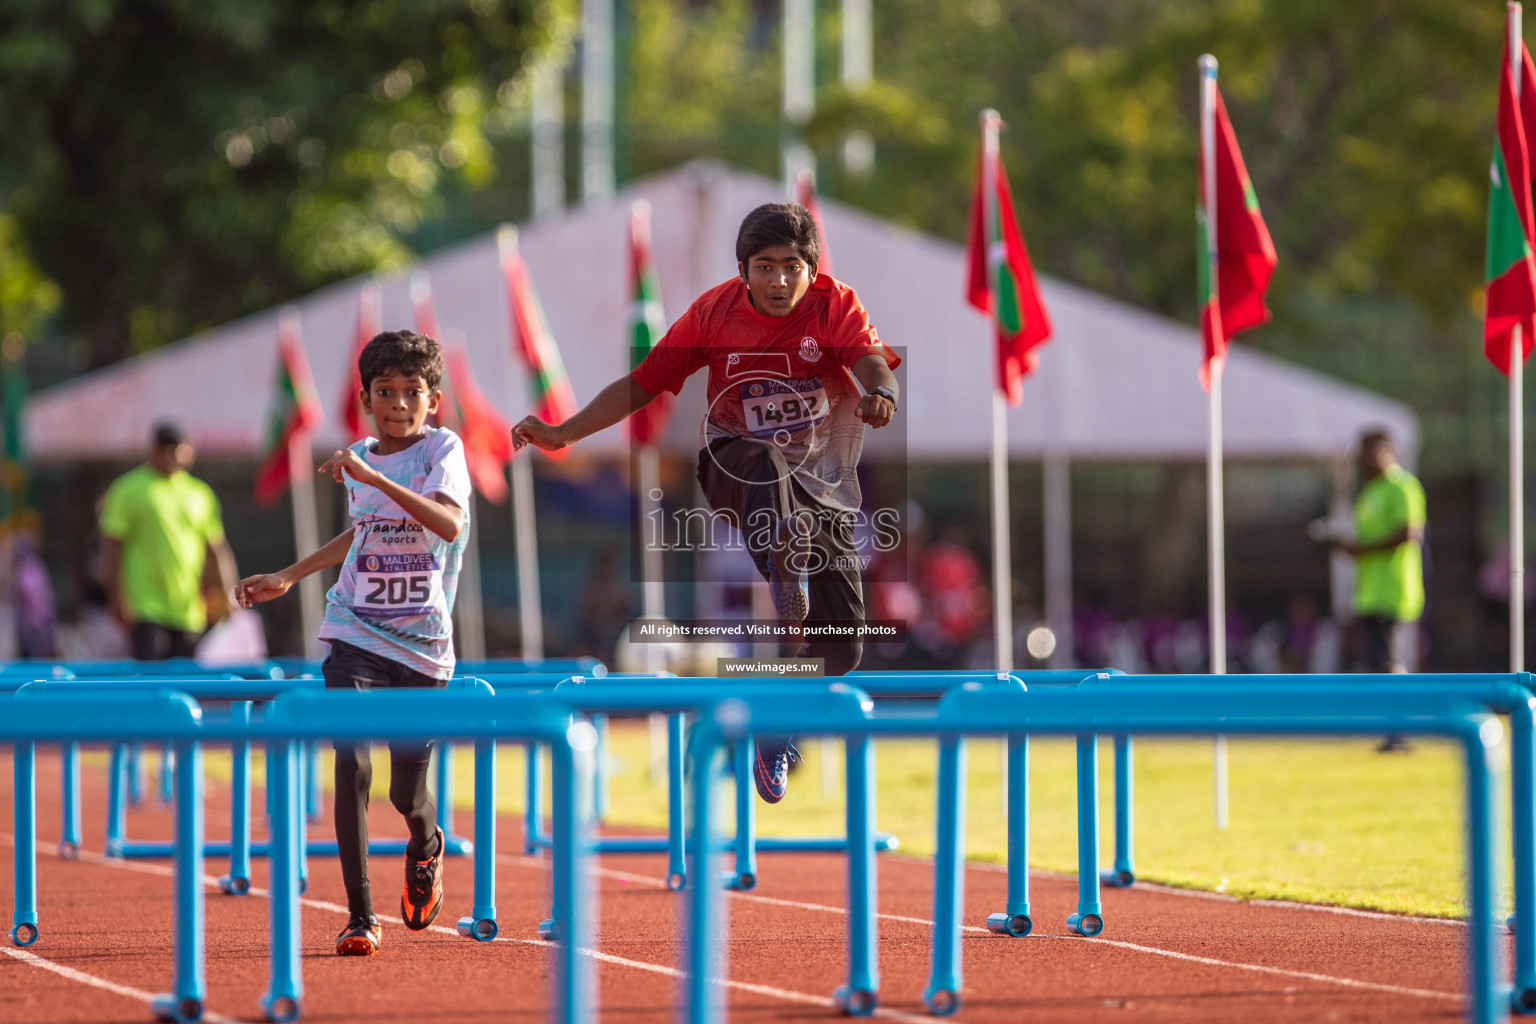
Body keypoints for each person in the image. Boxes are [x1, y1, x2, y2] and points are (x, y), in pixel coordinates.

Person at [513, 202, 900, 805]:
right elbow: (641, 384)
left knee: (844, 645)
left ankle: (777, 722)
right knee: (766, 461)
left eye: (791, 267)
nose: (778, 281)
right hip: (733, 466)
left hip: (818, 489)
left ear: (812, 270)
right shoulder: (713, 314)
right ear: (742, 270)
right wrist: (565, 433)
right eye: (764, 267)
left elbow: (872, 362)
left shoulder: (834, 305)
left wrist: (880, 391)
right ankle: (783, 561)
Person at [236, 330, 472, 956]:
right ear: (367, 400)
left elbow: (446, 521)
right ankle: (360, 917)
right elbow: (362, 534)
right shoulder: (359, 458)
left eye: (411, 393)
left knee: (406, 793)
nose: (398, 404)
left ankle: (427, 844)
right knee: (352, 764)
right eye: (385, 393)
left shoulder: (443, 450)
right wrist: (288, 575)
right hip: (355, 630)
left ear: (434, 399)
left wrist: (371, 475)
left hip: (423, 644)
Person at [99, 422, 237, 660]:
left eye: (177, 448)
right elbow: (112, 547)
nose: (170, 455)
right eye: (164, 448)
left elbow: (215, 548)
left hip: (188, 607)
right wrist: (115, 597)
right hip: (145, 605)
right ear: (152, 449)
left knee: (185, 681)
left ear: (189, 450)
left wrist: (227, 593)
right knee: (151, 679)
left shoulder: (200, 494)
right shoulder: (128, 489)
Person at [1335, 429, 1426, 752]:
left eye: (1366, 452)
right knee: (1377, 663)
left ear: (1384, 451)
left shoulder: (1403, 486)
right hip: (1369, 592)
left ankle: (1399, 731)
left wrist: (1361, 550)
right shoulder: (1369, 491)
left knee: (1389, 661)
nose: (1361, 459)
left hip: (1394, 589)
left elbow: (1409, 533)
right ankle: (1391, 729)